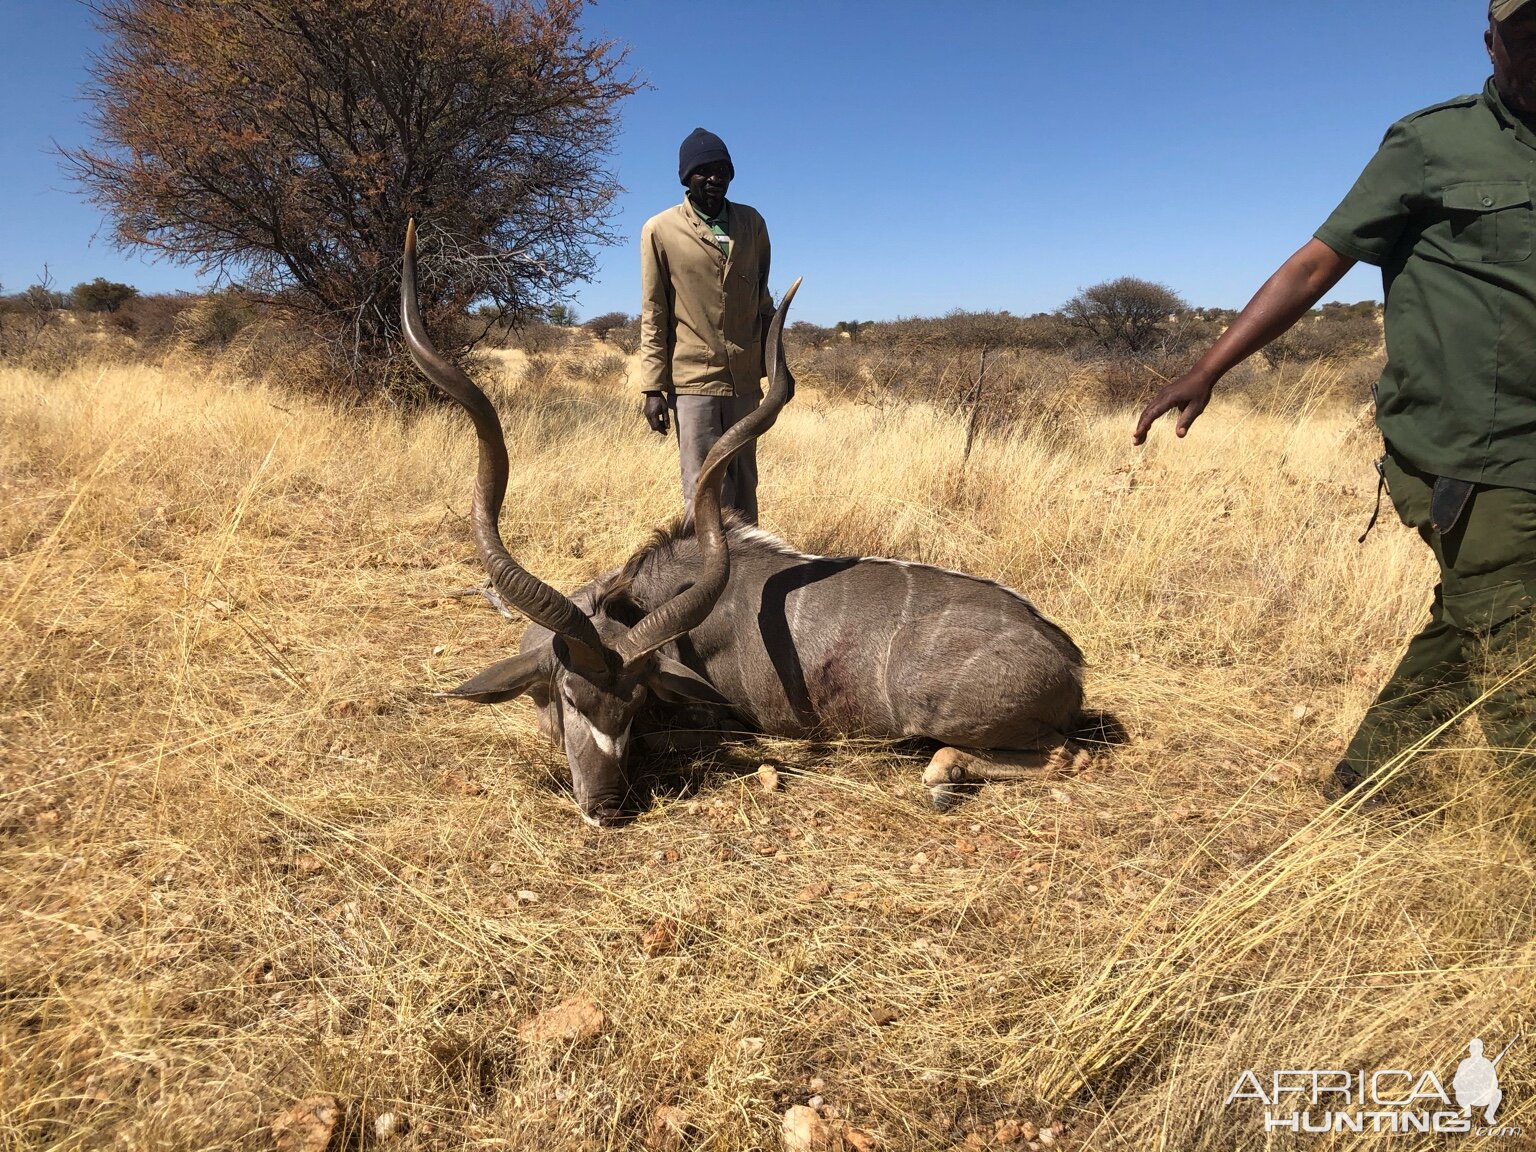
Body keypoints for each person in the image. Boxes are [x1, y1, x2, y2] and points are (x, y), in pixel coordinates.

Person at [1133, 0, 1536, 803]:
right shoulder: (1431, 143)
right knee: (1518, 637)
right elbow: (1317, 266)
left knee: (1471, 614)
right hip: (1472, 446)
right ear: (1490, 42)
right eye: (1528, 37)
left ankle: (1368, 780)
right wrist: (1209, 366)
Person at [639, 128, 775, 523]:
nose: (715, 178)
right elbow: (654, 310)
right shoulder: (660, 230)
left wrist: (775, 367)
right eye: (704, 171)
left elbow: (763, 302)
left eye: (723, 170)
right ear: (687, 177)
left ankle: (749, 576)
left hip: (744, 381)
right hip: (693, 381)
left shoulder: (751, 223)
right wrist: (652, 387)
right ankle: (707, 576)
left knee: (745, 481)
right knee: (703, 486)